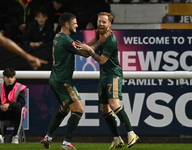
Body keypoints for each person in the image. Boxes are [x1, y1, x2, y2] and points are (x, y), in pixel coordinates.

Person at [76, 12, 139, 149]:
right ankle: (117, 139)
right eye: (99, 21)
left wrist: (89, 50)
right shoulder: (100, 35)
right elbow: (88, 51)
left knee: (114, 104)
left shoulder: (111, 40)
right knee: (104, 109)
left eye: (104, 22)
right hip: (104, 75)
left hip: (113, 74)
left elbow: (102, 60)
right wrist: (88, 44)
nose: (101, 24)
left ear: (110, 24)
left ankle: (131, 133)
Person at [40, 12, 96, 149]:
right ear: (66, 24)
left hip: (56, 78)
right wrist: (98, 40)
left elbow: (83, 50)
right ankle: (66, 143)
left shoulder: (58, 36)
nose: (77, 25)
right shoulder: (66, 40)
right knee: (79, 110)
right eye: (74, 22)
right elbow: (85, 53)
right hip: (62, 81)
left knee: (64, 109)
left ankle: (47, 137)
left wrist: (93, 41)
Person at [0, 68, 26, 144]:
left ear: (14, 78)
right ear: (4, 78)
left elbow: (21, 102)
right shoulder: (0, 88)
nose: (10, 79)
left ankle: (15, 137)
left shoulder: (20, 88)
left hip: (15, 113)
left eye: (11, 77)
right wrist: (1, 106)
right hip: (3, 112)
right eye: (8, 77)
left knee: (20, 109)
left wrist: (10, 105)